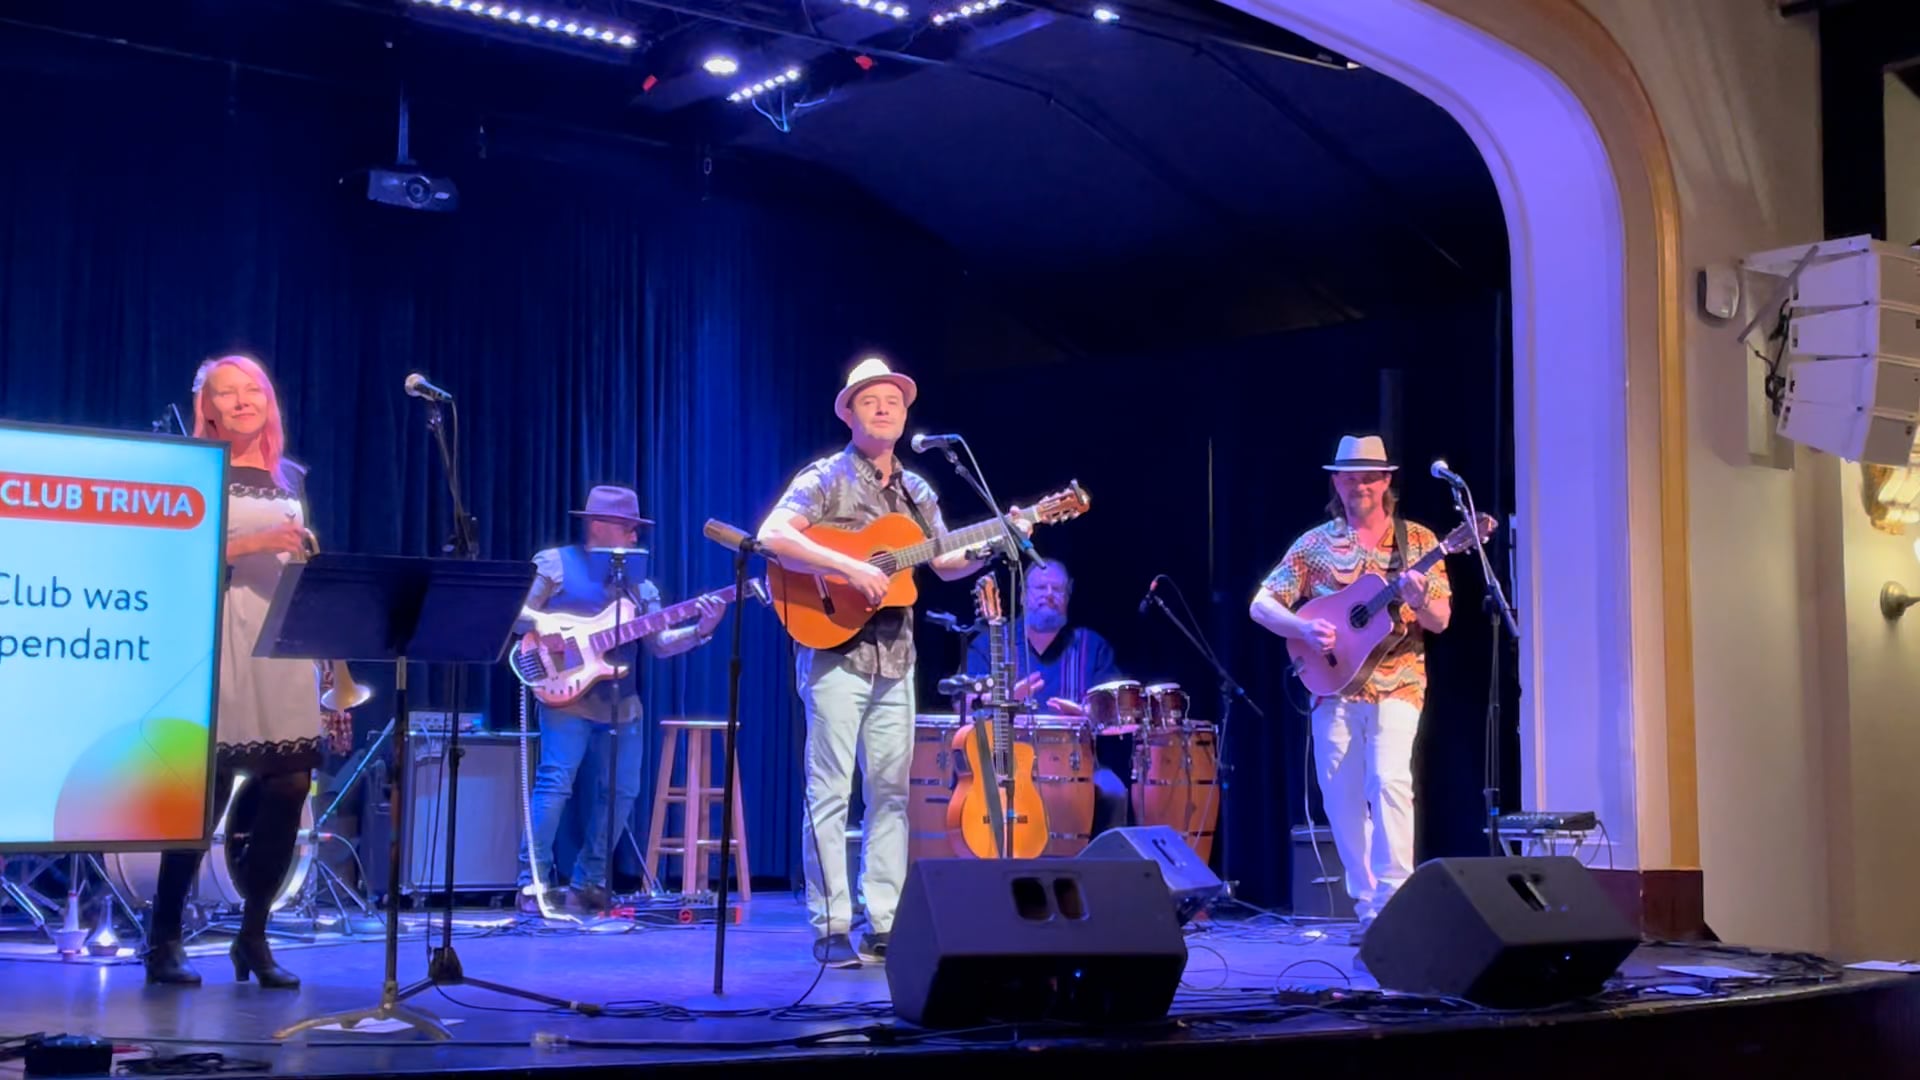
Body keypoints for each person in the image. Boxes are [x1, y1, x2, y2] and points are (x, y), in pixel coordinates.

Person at [756, 356, 1020, 967]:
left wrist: (993, 540)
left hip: (897, 657)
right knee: (828, 793)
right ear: (849, 412)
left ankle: (885, 922)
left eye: (894, 401)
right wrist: (850, 567)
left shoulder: (917, 489)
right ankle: (830, 923)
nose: (885, 408)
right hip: (833, 648)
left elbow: (944, 562)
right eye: (870, 399)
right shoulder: (825, 477)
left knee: (891, 795)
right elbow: (774, 536)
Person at [144, 354, 353, 989]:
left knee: (290, 785)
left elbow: (294, 568)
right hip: (219, 639)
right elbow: (171, 556)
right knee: (202, 796)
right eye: (226, 393)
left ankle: (254, 936)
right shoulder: (194, 470)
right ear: (205, 406)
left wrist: (325, 669)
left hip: (284, 644)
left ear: (269, 400)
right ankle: (164, 939)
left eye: (252, 390)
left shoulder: (286, 475)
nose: (241, 401)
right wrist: (255, 545)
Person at [1248, 434, 1455, 932]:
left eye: (1369, 476)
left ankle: (1398, 900)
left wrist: (1419, 598)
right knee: (1339, 796)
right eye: (1349, 477)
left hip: (1399, 681)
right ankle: (1370, 907)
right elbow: (1261, 603)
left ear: (1386, 481)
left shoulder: (1420, 542)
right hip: (1332, 687)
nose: (1359, 485)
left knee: (1389, 781)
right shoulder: (1315, 545)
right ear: (1335, 482)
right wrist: (1302, 628)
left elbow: (1441, 620)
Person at [515, 485, 726, 916]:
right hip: (565, 694)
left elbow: (660, 644)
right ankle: (532, 882)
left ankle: (589, 881)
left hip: (622, 702)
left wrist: (701, 629)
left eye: (636, 530)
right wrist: (553, 625)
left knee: (622, 791)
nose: (634, 538)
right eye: (628, 528)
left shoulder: (641, 588)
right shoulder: (555, 563)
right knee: (555, 783)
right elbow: (516, 613)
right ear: (598, 525)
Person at [960, 557, 1129, 836]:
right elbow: (964, 707)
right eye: (1040, 588)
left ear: (1068, 595)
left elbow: (1116, 712)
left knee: (1113, 792)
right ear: (1024, 594)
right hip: (1006, 767)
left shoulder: (1092, 646)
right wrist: (1006, 699)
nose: (1049, 595)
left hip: (1079, 768)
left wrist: (1086, 713)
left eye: (1057, 589)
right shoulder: (991, 643)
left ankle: (1099, 877)